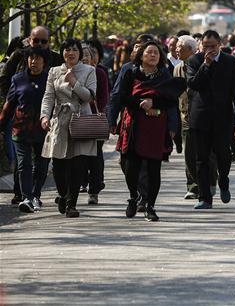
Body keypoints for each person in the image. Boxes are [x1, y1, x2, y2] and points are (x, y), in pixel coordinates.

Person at [115, 40, 184, 221]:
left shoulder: (165, 76)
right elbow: (123, 97)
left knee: (154, 168)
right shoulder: (131, 73)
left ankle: (150, 205)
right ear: (141, 55)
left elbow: (171, 101)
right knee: (131, 166)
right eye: (149, 52)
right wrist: (142, 105)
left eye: (156, 53)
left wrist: (155, 104)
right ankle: (133, 196)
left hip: (155, 127)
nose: (153, 55)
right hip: (134, 125)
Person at [40, 39, 97, 218]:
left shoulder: (89, 71)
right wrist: (44, 116)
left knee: (78, 165)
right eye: (66, 50)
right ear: (62, 52)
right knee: (58, 164)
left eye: (74, 50)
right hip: (60, 121)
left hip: (81, 120)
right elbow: (48, 96)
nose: (70, 53)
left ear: (80, 53)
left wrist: (74, 82)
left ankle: (72, 203)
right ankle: (63, 195)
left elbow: (89, 97)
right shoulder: (54, 71)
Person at [185, 30, 235, 210]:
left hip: (223, 117)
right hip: (200, 117)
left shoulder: (231, 61)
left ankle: (223, 181)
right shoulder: (194, 61)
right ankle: (204, 197)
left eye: (213, 46)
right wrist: (206, 65)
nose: (209, 49)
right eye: (205, 46)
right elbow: (193, 84)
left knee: (224, 156)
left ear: (220, 44)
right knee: (201, 159)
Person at [0, 47, 50, 212]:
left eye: (37, 58)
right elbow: (9, 105)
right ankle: (27, 197)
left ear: (44, 61)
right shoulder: (18, 79)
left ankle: (36, 195)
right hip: (21, 129)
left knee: (42, 165)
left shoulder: (50, 79)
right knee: (23, 164)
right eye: (31, 58)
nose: (33, 62)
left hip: (44, 129)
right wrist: (1, 124)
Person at [173, 34, 216, 200]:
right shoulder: (177, 68)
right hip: (185, 115)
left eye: (180, 48)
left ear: (190, 50)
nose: (176, 50)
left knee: (207, 153)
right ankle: (192, 185)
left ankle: (211, 181)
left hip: (203, 114)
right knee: (189, 153)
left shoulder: (202, 63)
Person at [82, 45, 109, 205]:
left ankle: (94, 189)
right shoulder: (73, 73)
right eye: (82, 54)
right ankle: (81, 183)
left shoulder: (99, 73)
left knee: (95, 156)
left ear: (93, 58)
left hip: (94, 120)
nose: (85, 57)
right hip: (76, 119)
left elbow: (104, 97)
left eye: (87, 55)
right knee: (80, 157)